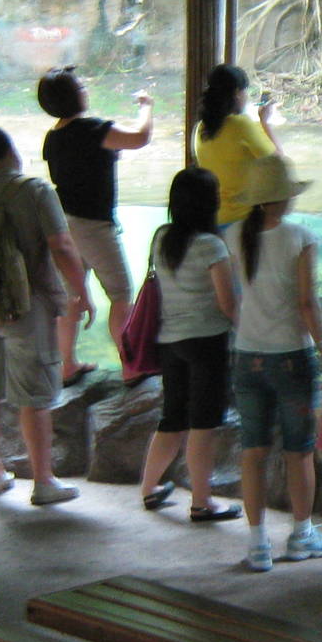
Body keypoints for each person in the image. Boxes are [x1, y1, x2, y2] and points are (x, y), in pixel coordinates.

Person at [0, 126, 91, 506]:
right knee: (33, 398)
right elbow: (61, 245)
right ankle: (43, 482)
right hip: (28, 309)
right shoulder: (34, 191)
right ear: (11, 150)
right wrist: (80, 289)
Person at [225, 154, 322, 572]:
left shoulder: (234, 235)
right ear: (285, 198)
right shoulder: (300, 238)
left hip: (247, 355)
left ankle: (258, 545)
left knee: (252, 451)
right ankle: (301, 534)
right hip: (292, 357)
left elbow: (233, 297)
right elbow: (307, 303)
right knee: (299, 451)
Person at [135, 168, 241, 523]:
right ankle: (201, 502)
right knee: (203, 424)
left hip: (170, 342)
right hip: (206, 342)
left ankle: (149, 489)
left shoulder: (161, 237)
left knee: (173, 418)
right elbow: (228, 303)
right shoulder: (211, 245)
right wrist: (249, 331)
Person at [37, 65, 154, 384]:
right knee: (120, 293)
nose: (85, 88)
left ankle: (67, 365)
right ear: (74, 95)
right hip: (93, 225)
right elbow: (140, 138)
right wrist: (146, 107)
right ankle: (131, 366)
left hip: (65, 224)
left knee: (72, 293)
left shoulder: (53, 137)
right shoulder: (94, 129)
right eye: (81, 86)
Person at [192, 63, 281, 228]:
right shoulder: (240, 125)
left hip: (214, 220)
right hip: (244, 222)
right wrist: (265, 123)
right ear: (236, 94)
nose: (246, 96)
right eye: (245, 90)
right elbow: (278, 163)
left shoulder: (200, 128)